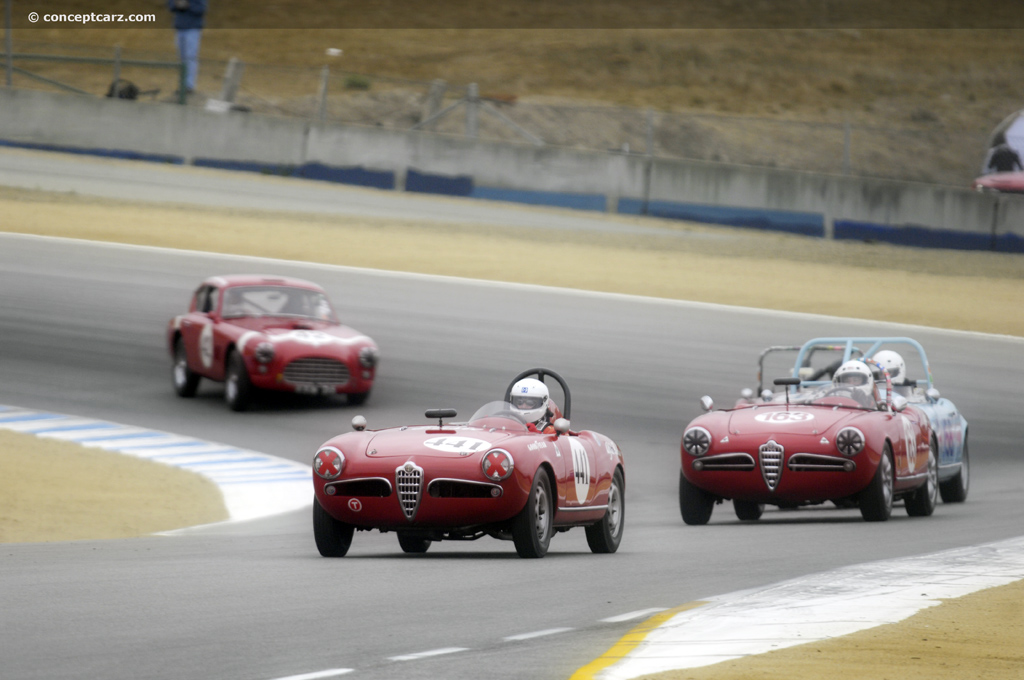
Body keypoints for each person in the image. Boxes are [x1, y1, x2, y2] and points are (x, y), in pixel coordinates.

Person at [168, 0, 207, 95]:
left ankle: (189, 86)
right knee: (181, 57)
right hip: (180, 27)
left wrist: (187, 5)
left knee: (190, 57)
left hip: (193, 28)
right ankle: (182, 85)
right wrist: (177, 4)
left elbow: (201, 9)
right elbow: (170, 5)